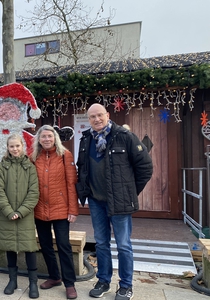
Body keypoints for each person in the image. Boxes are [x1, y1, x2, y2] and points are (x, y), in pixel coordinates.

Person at [76, 104, 153, 300]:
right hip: (96, 201)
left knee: (123, 245)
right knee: (101, 243)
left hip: (119, 202)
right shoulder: (86, 139)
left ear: (107, 115)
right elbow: (82, 168)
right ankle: (103, 281)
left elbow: (145, 167)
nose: (96, 119)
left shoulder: (124, 137)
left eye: (100, 115)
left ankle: (126, 286)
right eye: (92, 117)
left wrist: (129, 192)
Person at [31, 125, 79, 300]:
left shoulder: (65, 155)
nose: (46, 139)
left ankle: (69, 283)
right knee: (45, 245)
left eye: (49, 136)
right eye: (43, 136)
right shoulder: (34, 157)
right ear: (39, 139)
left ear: (55, 138)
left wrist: (73, 209)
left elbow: (71, 184)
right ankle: (54, 276)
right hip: (39, 208)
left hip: (61, 208)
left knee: (64, 246)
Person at [0, 134, 40, 299]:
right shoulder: (1, 167)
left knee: (29, 248)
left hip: (25, 215)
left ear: (22, 146)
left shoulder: (30, 167)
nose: (14, 149)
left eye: (17, 146)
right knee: (10, 246)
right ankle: (12, 281)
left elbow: (34, 192)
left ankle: (33, 282)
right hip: (7, 214)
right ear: (8, 148)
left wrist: (20, 212)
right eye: (11, 146)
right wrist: (8, 211)